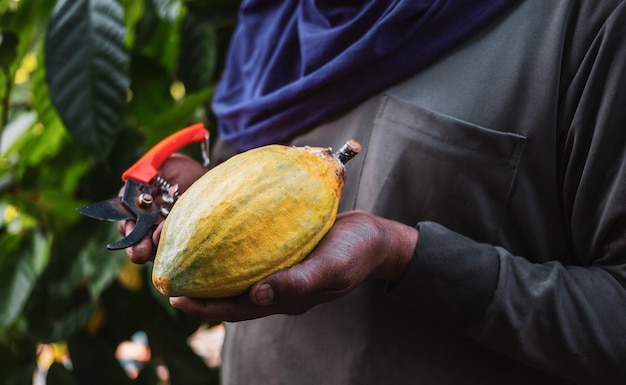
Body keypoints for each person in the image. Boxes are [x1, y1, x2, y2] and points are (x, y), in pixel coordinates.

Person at [121, 0, 626, 384]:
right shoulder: (277, 23)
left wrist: (403, 255)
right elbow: (254, 183)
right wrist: (199, 194)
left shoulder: (587, 22)